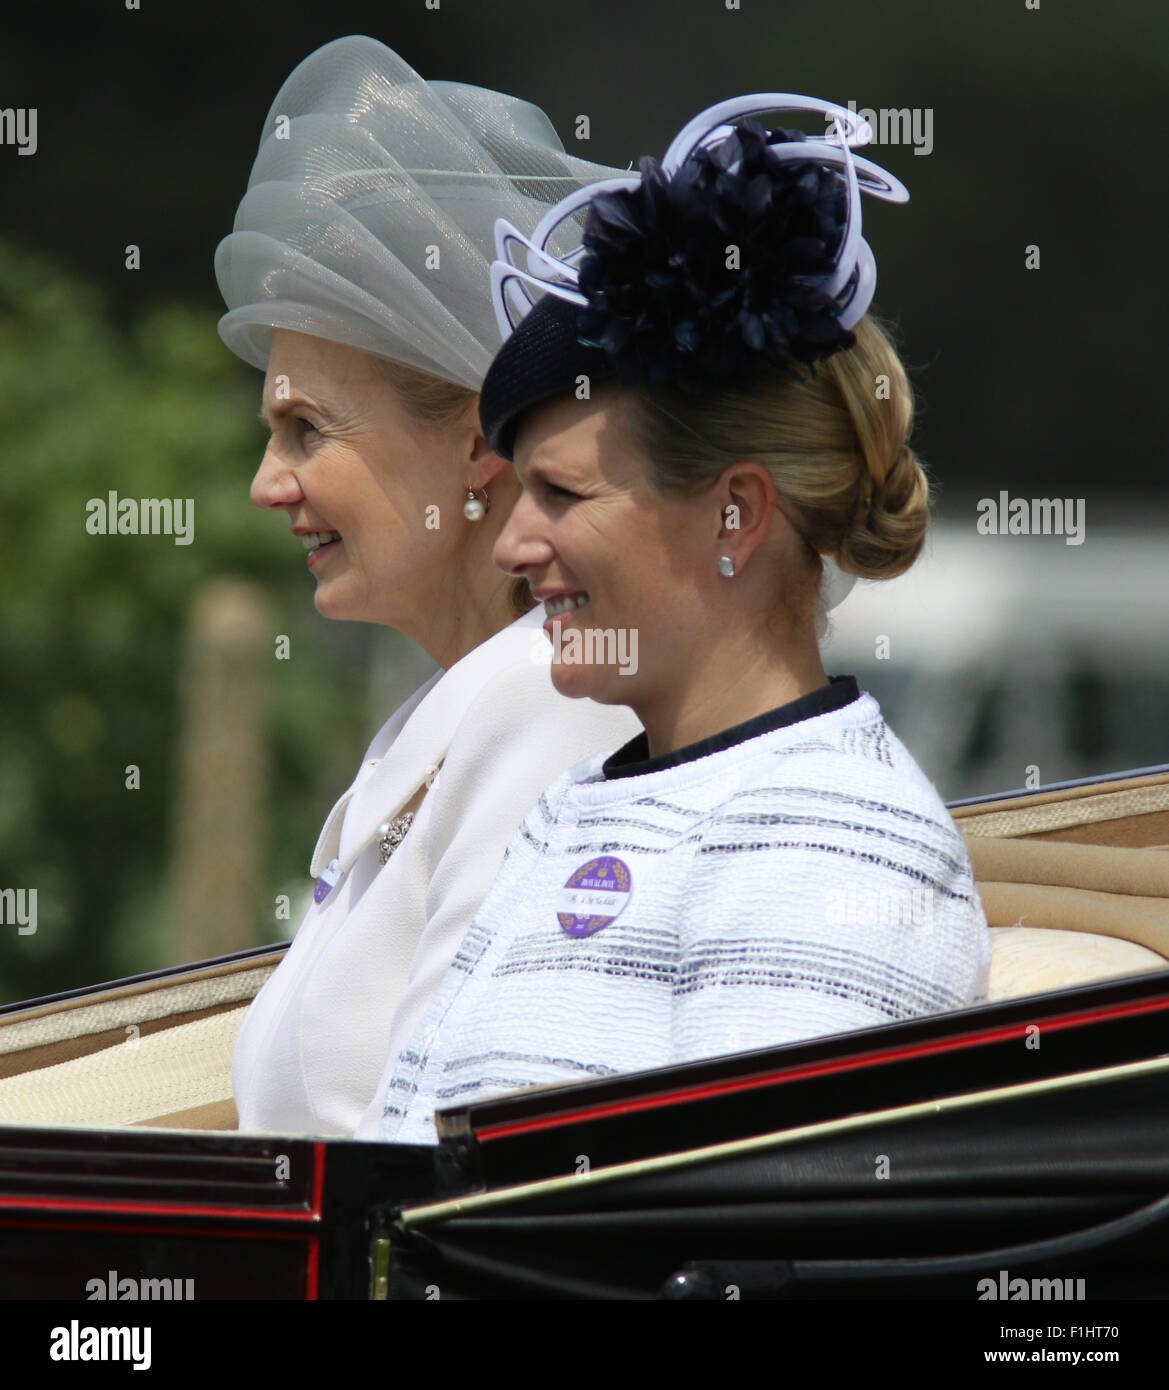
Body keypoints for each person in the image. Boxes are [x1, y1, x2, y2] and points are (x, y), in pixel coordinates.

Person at [360, 93, 992, 1145]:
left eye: (560, 494)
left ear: (734, 512)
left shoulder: (832, 842)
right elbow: (402, 1175)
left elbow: (752, 1237)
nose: (514, 546)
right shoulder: (569, 806)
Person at [213, 35, 649, 1136]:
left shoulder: (550, 702)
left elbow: (453, 1158)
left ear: (473, 447)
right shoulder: (469, 705)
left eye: (306, 428)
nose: (268, 483)